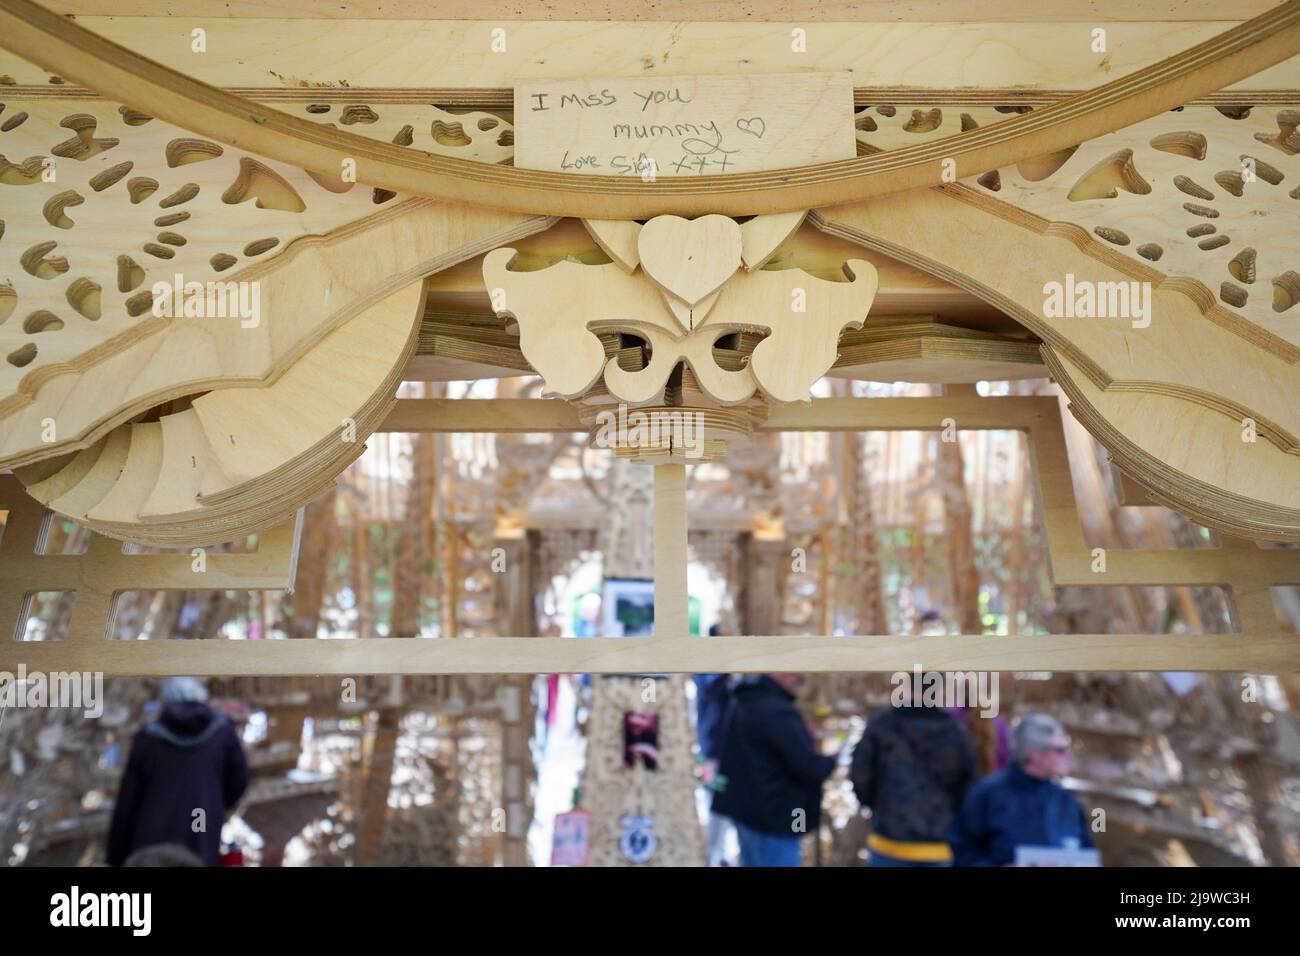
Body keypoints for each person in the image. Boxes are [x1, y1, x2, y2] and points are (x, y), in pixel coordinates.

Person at [107, 677, 249, 867]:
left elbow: (128, 800)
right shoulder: (222, 733)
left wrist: (115, 856)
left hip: (153, 827)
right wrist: (214, 802)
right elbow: (238, 781)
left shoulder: (148, 737)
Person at [850, 675, 978, 866]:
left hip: (888, 840)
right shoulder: (955, 732)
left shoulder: (882, 725)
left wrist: (875, 805)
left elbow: (861, 773)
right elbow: (969, 784)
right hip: (936, 844)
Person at [712, 673, 836, 867]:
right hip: (773, 820)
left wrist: (800, 734)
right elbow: (810, 767)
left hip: (750, 813)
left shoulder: (748, 700)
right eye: (795, 675)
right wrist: (833, 760)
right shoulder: (776, 711)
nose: (797, 680)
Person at [948, 713, 1094, 866]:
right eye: (1059, 750)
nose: (1068, 757)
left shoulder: (1066, 800)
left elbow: (1085, 852)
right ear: (1034, 753)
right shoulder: (987, 795)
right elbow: (961, 852)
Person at [694, 624, 734, 865]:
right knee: (717, 803)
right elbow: (710, 691)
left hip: (720, 747)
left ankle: (720, 853)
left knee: (722, 804)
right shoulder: (709, 671)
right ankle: (712, 856)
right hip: (714, 749)